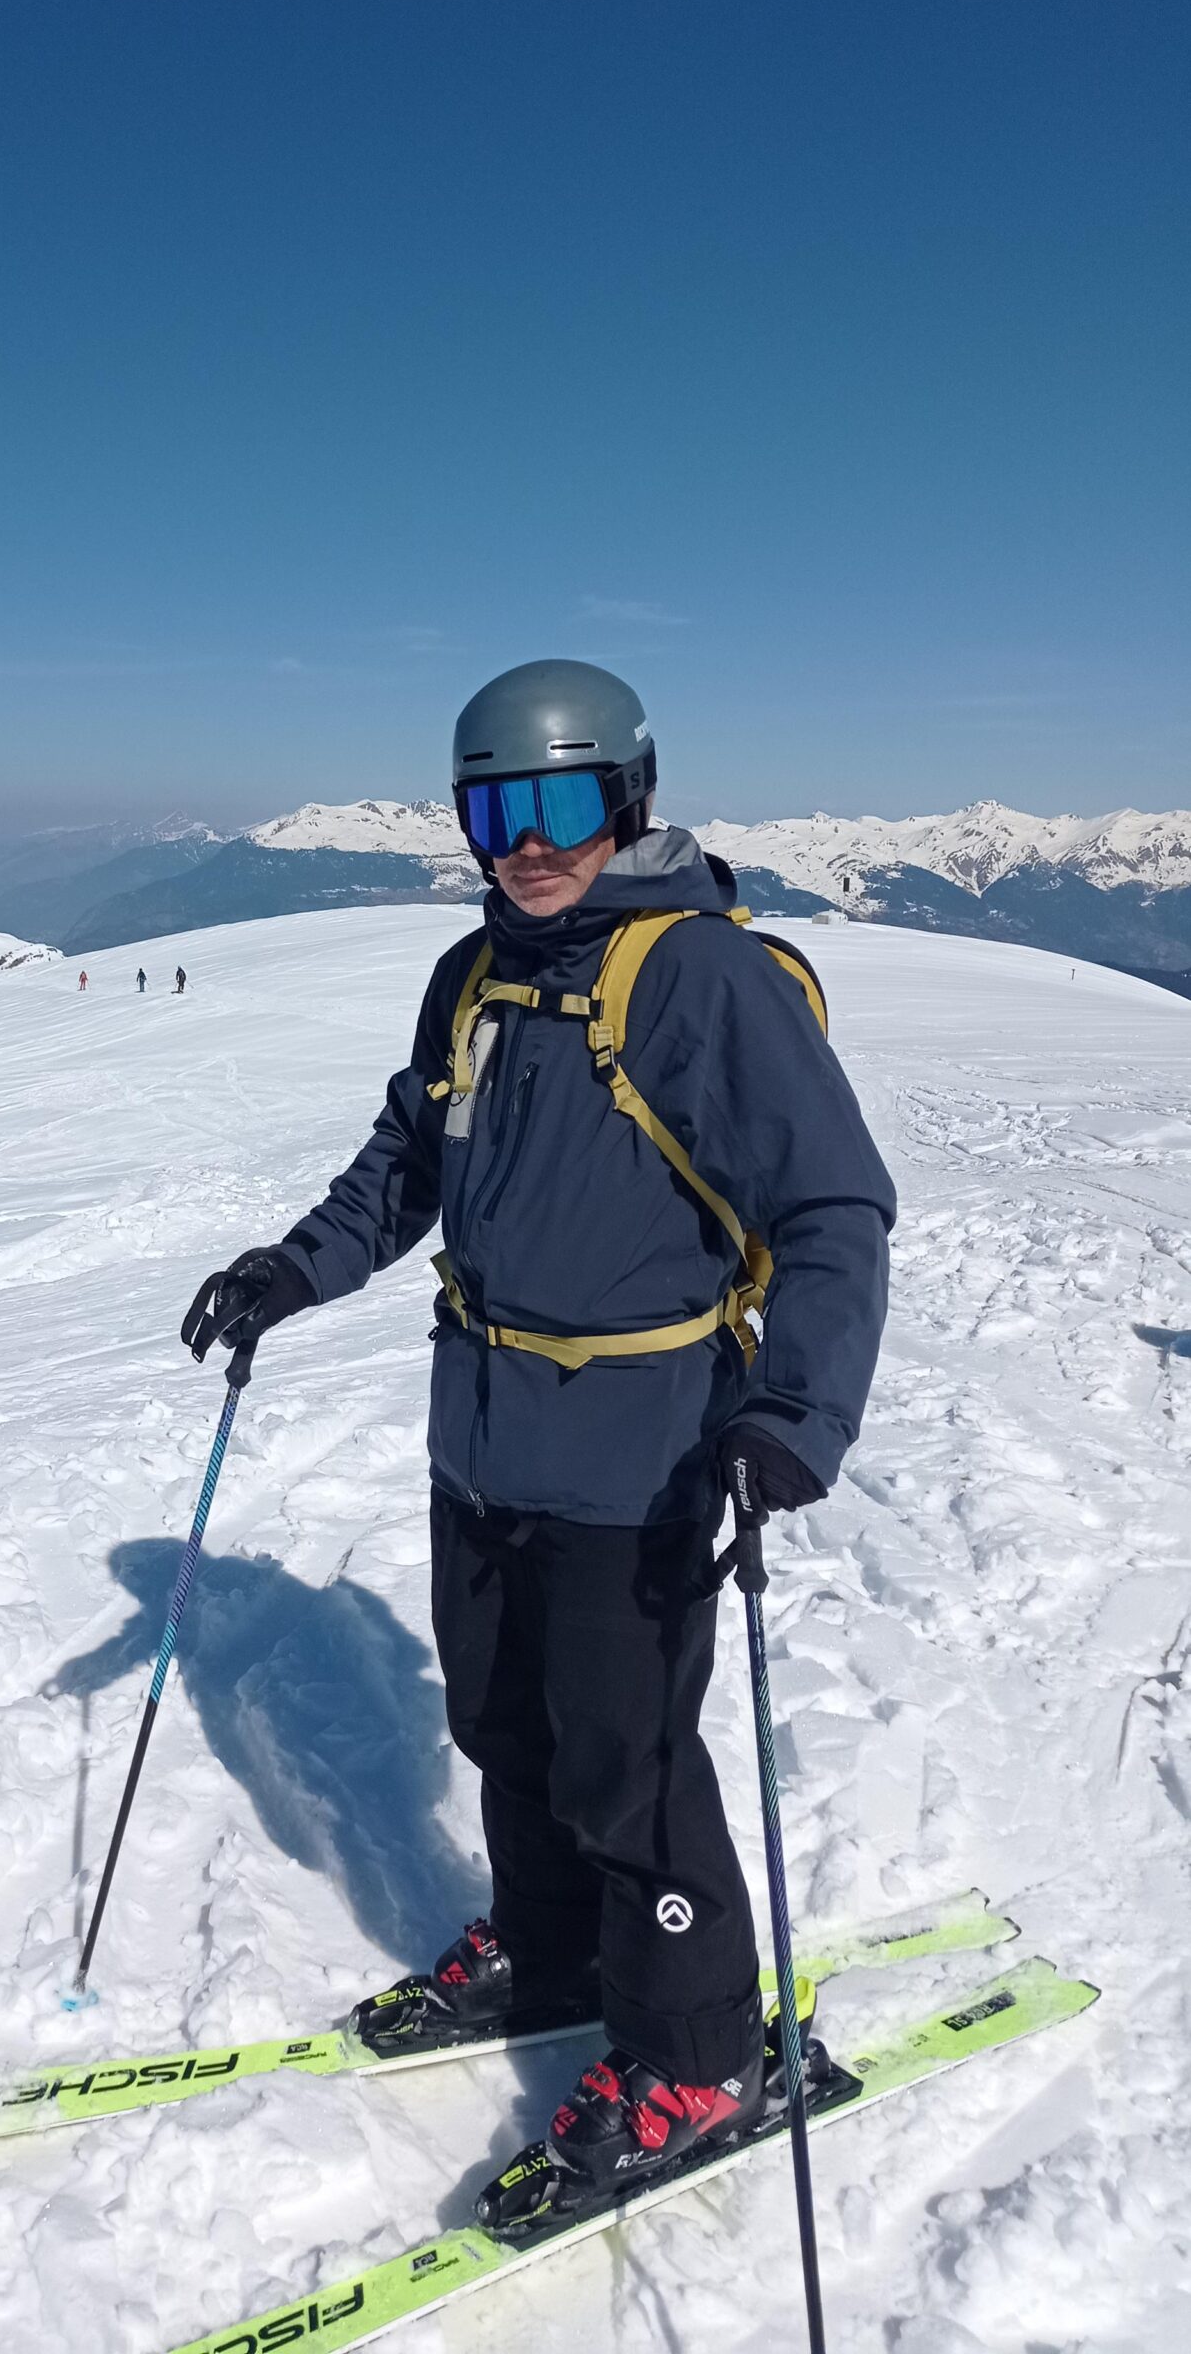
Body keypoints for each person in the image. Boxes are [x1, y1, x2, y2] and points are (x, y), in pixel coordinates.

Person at [183, 659, 894, 2226]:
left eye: (561, 803)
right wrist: (295, 1269)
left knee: (631, 1770)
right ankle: (557, 1949)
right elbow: (406, 1159)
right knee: (506, 1725)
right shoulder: (474, 975)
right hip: (484, 1440)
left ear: (627, 799)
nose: (528, 842)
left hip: (644, 1456)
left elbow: (836, 1208)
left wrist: (796, 1415)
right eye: (493, 809)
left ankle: (702, 2056)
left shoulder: (699, 978)